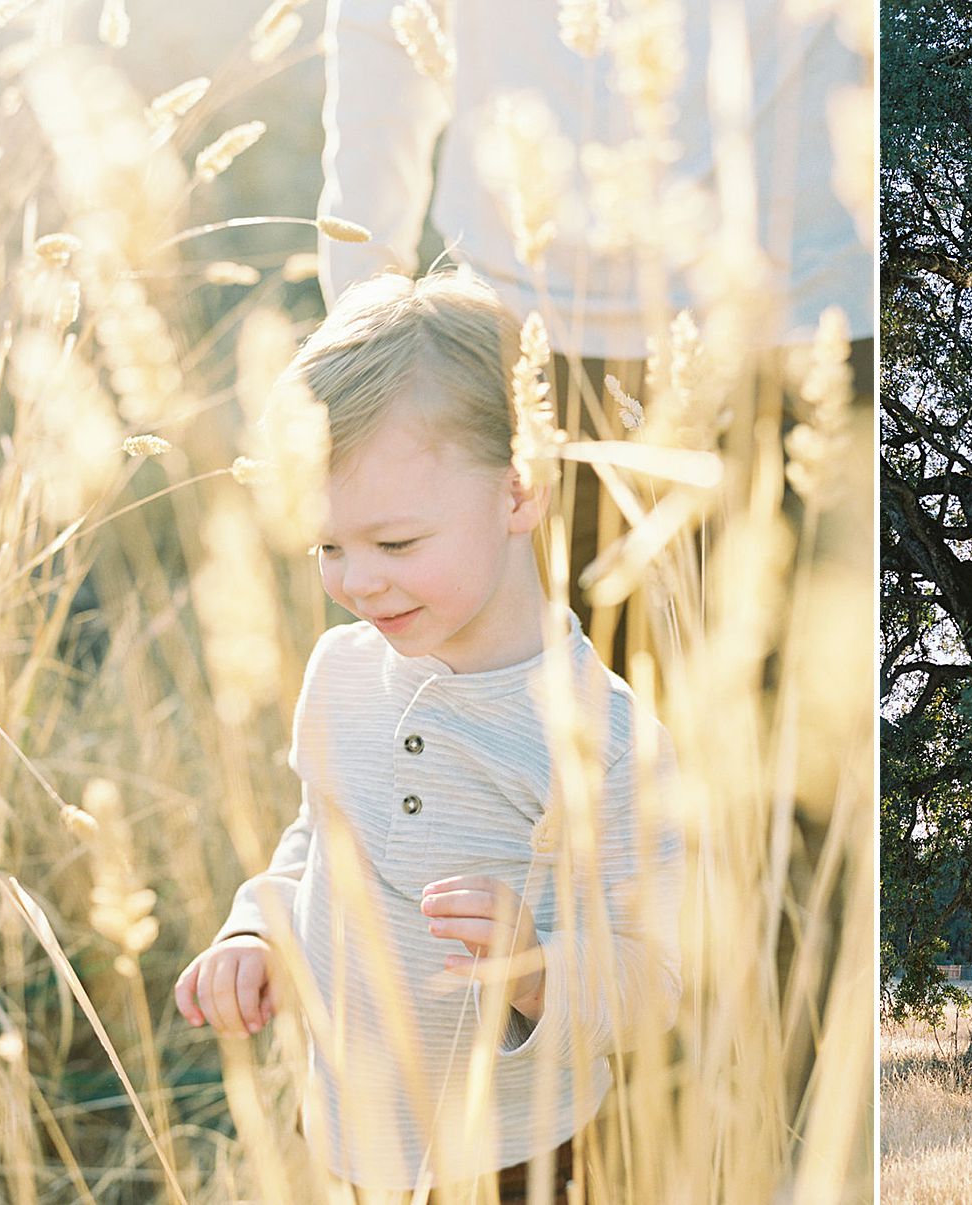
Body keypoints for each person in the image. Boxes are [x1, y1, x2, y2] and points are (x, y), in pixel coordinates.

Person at [172, 271, 684, 1197]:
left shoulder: (603, 736)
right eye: (329, 546)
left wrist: (538, 970)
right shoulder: (339, 671)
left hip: (520, 1155)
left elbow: (656, 978)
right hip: (350, 1134)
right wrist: (260, 927)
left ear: (520, 491)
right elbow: (316, 841)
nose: (358, 582)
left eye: (395, 544)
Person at [317, 0, 875, 650]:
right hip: (522, 344)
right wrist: (369, 322)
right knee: (553, 721)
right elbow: (382, 20)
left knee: (800, 715)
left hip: (810, 327)